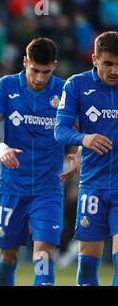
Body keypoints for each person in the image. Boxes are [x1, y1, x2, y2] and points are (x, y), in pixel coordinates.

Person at [0, 37, 78, 286]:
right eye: (34, 70)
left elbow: (81, 130)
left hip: (48, 188)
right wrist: (2, 148)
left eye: (45, 72)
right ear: (25, 62)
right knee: (8, 255)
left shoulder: (64, 90)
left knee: (44, 255)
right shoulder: (6, 86)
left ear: (54, 66)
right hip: (13, 187)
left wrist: (78, 153)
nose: (39, 78)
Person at [55, 31, 118, 286]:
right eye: (108, 63)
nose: (115, 70)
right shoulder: (76, 85)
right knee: (87, 268)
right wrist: (85, 139)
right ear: (94, 59)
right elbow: (60, 129)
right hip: (92, 186)